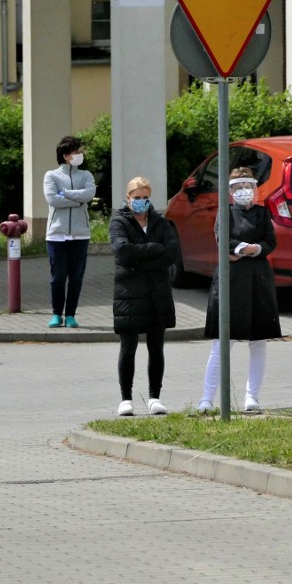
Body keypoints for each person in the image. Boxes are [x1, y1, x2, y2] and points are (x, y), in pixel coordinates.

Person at [198, 167, 282, 413]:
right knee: (223, 341)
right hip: (231, 281)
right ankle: (206, 398)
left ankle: (251, 397)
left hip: (259, 280)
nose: (244, 192)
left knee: (258, 342)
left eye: (248, 187)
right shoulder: (225, 213)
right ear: (230, 191)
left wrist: (253, 250)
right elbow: (222, 239)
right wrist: (242, 248)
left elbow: (270, 242)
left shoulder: (262, 213)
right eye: (238, 187)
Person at [109, 176, 177, 416]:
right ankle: (126, 398)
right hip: (129, 294)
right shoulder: (119, 222)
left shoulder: (161, 223)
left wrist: (141, 258)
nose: (141, 202)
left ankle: (154, 397)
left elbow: (171, 252)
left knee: (156, 347)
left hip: (157, 293)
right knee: (128, 347)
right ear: (127, 198)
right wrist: (153, 250)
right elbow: (122, 250)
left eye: (145, 198)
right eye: (136, 198)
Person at [43, 135, 97, 329]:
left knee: (76, 277)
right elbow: (52, 200)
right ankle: (56, 314)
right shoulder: (51, 176)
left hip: (80, 234)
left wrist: (64, 193)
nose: (80, 155)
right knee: (58, 276)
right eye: (76, 152)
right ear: (66, 156)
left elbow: (89, 194)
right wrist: (78, 199)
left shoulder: (86, 175)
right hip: (56, 234)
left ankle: (71, 315)